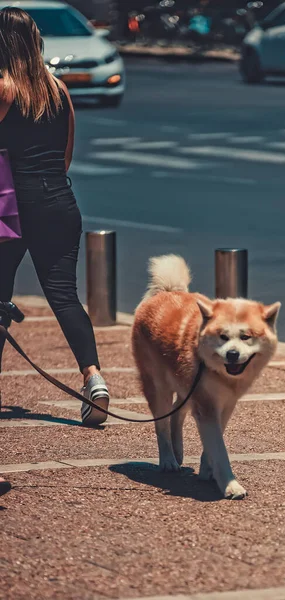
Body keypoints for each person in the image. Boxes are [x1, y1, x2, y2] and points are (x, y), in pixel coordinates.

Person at [0, 7, 109, 426]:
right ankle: (93, 379)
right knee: (64, 295)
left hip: (12, 206)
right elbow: (65, 157)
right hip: (60, 202)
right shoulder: (58, 90)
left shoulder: (3, 89)